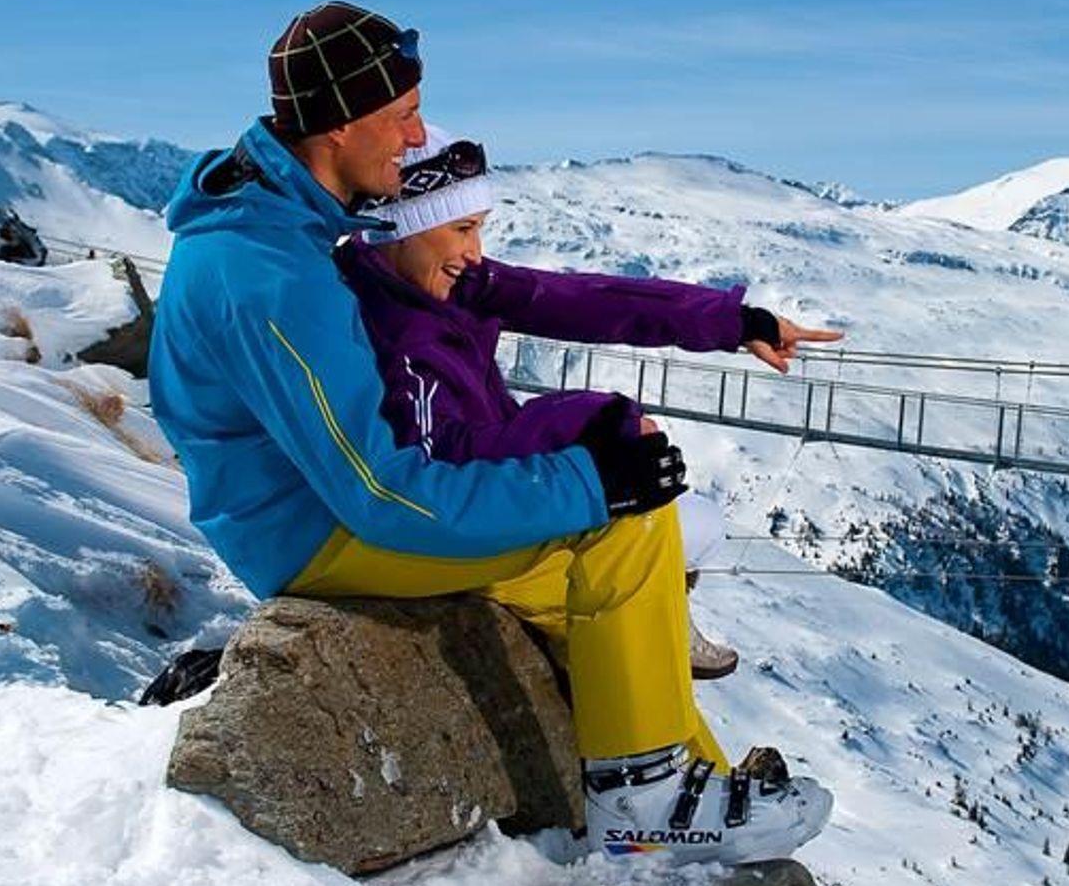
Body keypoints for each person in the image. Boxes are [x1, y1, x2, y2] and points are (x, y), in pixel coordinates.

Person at [147, 1, 832, 864]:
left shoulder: (296, 229)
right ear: (342, 122)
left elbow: (568, 297)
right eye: (403, 115)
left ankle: (682, 805)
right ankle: (647, 805)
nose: (416, 135)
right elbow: (384, 492)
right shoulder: (270, 274)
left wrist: (729, 322)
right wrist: (590, 481)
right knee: (622, 522)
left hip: (319, 504)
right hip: (314, 532)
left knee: (607, 593)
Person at [339, 128, 845, 681]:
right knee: (683, 525)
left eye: (479, 228)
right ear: (401, 226)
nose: (475, 252)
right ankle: (631, 630)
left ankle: (639, 617)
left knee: (690, 518)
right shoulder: (396, 330)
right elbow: (438, 458)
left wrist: (736, 322)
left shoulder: (441, 284)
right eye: (462, 229)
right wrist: (591, 424)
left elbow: (586, 301)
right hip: (477, 511)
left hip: (503, 482)